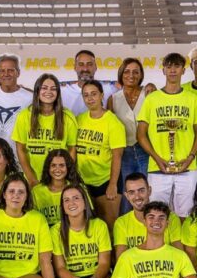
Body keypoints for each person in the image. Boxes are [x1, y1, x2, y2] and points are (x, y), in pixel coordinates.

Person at [137, 53, 197, 219]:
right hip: (158, 168)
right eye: (169, 66)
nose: (172, 70)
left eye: (176, 66)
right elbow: (141, 134)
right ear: (163, 70)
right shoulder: (152, 99)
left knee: (187, 216)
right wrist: (157, 158)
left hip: (187, 168)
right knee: (157, 216)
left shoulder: (193, 99)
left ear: (183, 70)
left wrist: (190, 158)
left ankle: (183, 245)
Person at [76, 79, 126, 231]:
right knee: (89, 226)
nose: (90, 98)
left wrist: (112, 184)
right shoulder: (79, 119)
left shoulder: (113, 122)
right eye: (86, 95)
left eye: (94, 94)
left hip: (105, 181)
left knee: (110, 226)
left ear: (101, 95)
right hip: (84, 182)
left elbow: (117, 156)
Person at [12, 73, 77, 187]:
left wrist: (64, 175)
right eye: (44, 88)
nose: (49, 92)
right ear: (37, 91)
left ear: (58, 93)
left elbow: (72, 149)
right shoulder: (25, 116)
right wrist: (31, 178)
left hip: (58, 180)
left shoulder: (67, 117)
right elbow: (20, 149)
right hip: (32, 179)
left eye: (53, 89)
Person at [107, 58, 154, 213]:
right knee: (129, 194)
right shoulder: (113, 99)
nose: (131, 75)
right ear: (121, 74)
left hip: (146, 150)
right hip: (124, 153)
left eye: (136, 72)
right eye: (127, 71)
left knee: (147, 191)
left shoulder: (149, 94)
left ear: (141, 75)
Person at [0, 54, 33, 163]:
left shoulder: (30, 98)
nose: (6, 74)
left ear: (18, 72)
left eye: (10, 70)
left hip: (18, 161)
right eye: (2, 71)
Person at [32, 149, 82, 227]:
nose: (57, 169)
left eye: (62, 165)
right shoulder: (36, 191)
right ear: (48, 168)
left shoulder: (78, 189)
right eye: (53, 165)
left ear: (68, 167)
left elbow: (87, 217)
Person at [60, 49, 119, 115]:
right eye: (81, 64)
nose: (85, 68)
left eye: (89, 64)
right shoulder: (63, 93)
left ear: (95, 67)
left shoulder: (110, 90)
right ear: (75, 67)